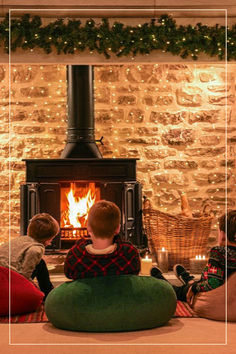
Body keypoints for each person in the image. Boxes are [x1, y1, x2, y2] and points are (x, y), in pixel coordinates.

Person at [150, 210, 236, 303]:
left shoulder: (219, 252)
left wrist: (194, 288)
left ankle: (163, 283)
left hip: (214, 298)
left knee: (178, 291)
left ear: (223, 235)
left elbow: (213, 283)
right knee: (199, 281)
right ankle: (188, 280)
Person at [64, 200, 141, 279]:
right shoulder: (129, 254)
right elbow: (135, 272)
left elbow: (68, 274)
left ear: (88, 228)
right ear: (118, 228)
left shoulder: (75, 256)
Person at [0, 213, 59, 299]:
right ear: (48, 239)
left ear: (28, 231)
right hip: (9, 280)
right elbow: (25, 275)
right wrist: (34, 289)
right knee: (40, 264)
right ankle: (48, 294)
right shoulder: (36, 249)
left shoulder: (20, 240)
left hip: (2, 275)